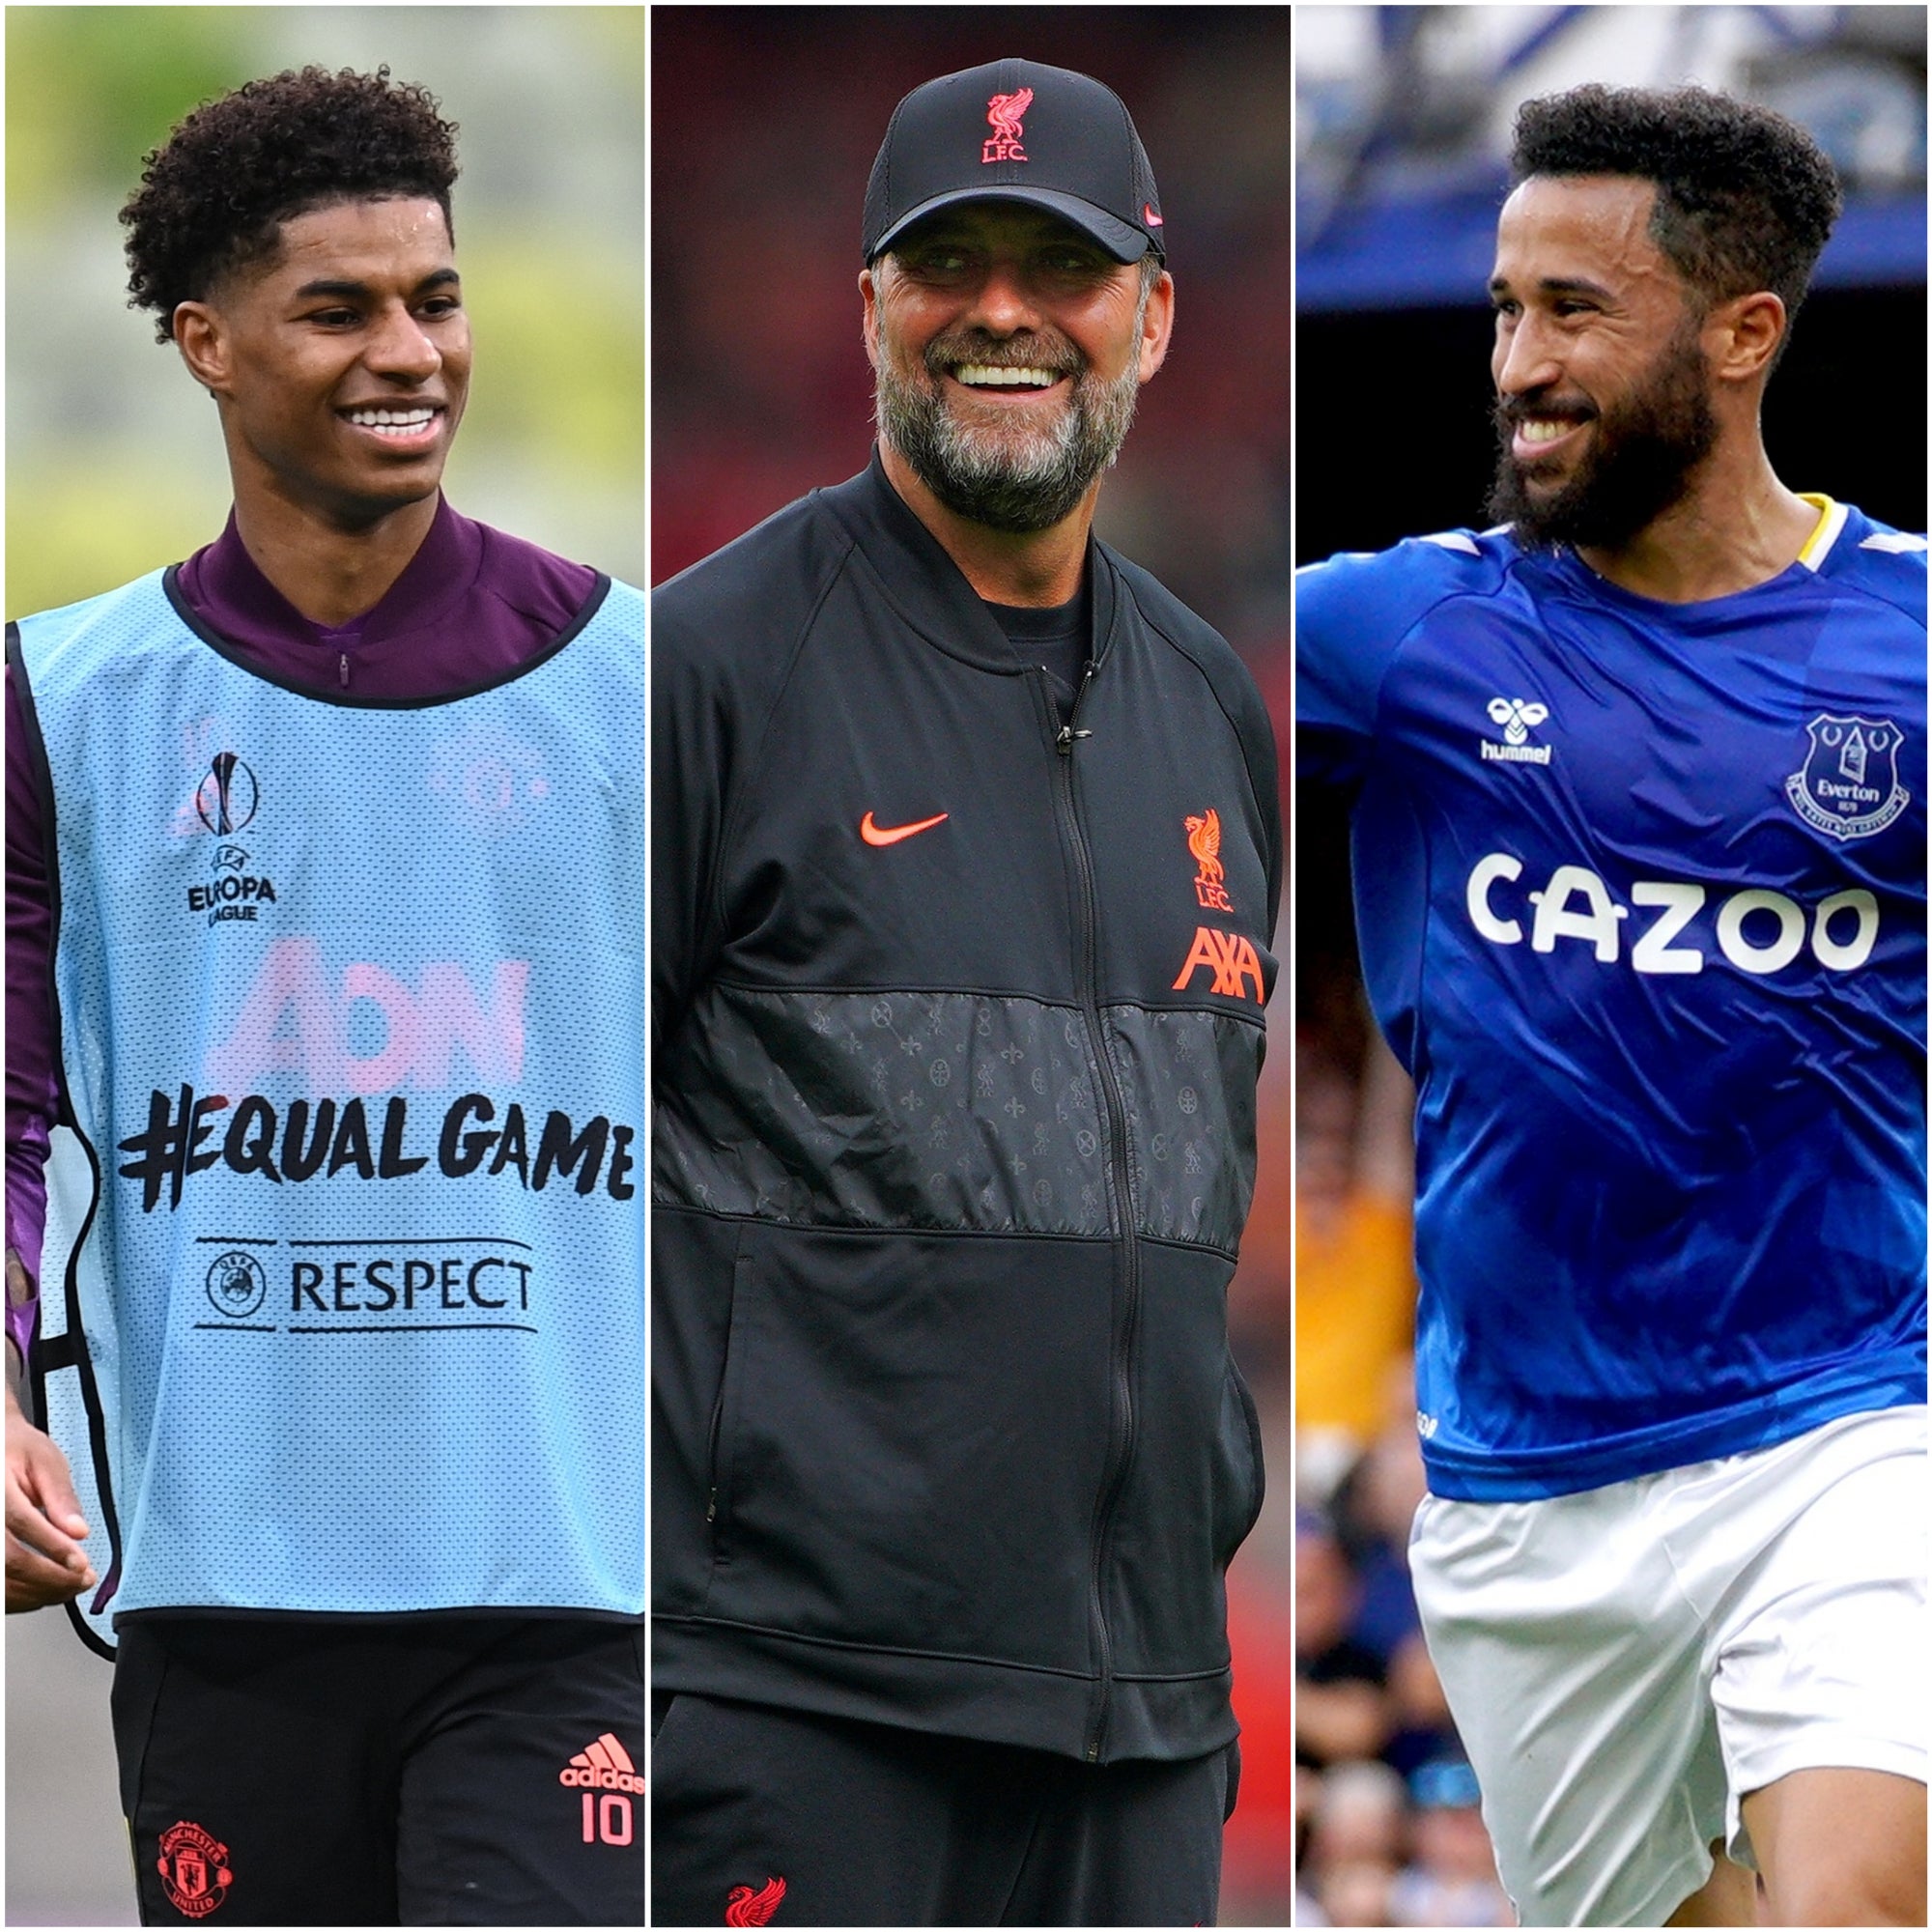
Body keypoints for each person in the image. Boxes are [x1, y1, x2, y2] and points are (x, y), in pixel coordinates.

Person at [4, 68, 644, 1926]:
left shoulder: (635, 682)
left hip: (560, 1585)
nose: (410, 352)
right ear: (204, 342)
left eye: (435, 300)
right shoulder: (64, 701)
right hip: (226, 1580)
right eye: (340, 308)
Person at [652, 56, 1280, 1928]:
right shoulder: (705, 670)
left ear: (1153, 318)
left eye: (1059, 266)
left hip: (1150, 1716)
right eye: (947, 263)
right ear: (867, 310)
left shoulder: (1207, 697)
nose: (1001, 310)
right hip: (794, 1704)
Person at [1296, 82, 1925, 1928]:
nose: (1517, 361)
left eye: (1576, 310)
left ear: (1745, 334)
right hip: (1526, 1487)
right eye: (1506, 308)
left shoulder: (1903, 644)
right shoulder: (1399, 635)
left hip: (1847, 1418)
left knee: (1855, 1900)